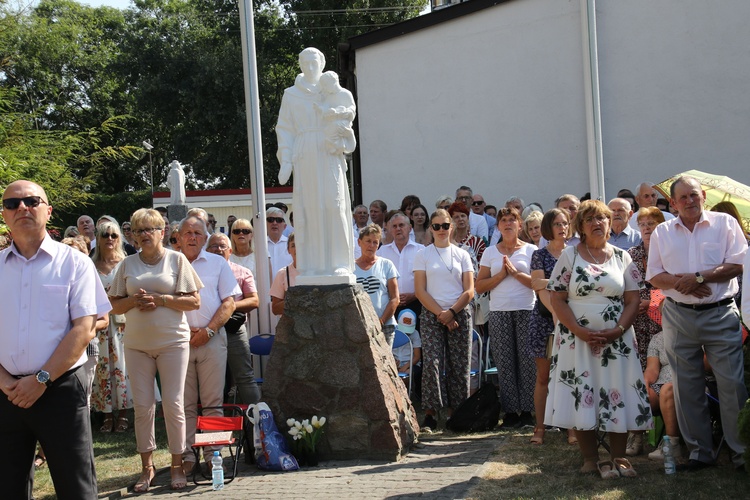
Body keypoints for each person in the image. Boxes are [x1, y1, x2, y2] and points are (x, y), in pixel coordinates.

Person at [1, 180, 111, 499]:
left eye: (32, 201)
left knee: (76, 487)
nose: (22, 208)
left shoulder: (74, 263)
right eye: (12, 204)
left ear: (48, 211)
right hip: (5, 393)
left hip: (59, 390)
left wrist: (41, 379)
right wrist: (4, 379)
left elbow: (84, 328)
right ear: (4, 215)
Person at [647, 176, 747, 472]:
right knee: (686, 386)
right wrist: (682, 282)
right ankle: (700, 453)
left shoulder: (724, 224)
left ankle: (741, 453)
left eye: (694, 195)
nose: (690, 201)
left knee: (732, 385)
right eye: (683, 198)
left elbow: (739, 263)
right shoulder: (663, 231)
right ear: (674, 203)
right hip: (678, 314)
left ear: (703, 195)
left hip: (720, 313)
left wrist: (701, 277)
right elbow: (653, 274)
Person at [545, 200, 651, 477]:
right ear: (580, 226)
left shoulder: (622, 257)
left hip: (617, 340)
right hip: (576, 339)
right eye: (590, 219)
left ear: (609, 222)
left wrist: (617, 330)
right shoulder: (569, 256)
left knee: (619, 391)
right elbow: (556, 297)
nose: (597, 223)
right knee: (583, 392)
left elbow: (633, 299)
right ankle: (590, 458)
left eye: (602, 218)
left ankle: (619, 457)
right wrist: (579, 331)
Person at [109, 208, 203, 492]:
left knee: (173, 404)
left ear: (163, 232)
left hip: (173, 343)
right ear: (133, 235)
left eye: (151, 229)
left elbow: (194, 302)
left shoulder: (177, 259)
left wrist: (161, 299)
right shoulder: (127, 264)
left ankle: (177, 465)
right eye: (139, 230)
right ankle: (146, 468)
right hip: (137, 345)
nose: (145, 235)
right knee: (143, 407)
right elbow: (113, 305)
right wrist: (133, 303)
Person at [276, 48, 354, 280]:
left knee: (334, 204)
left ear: (321, 64)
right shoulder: (291, 94)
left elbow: (346, 115)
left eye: (314, 62)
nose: (310, 67)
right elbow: (285, 128)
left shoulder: (331, 90)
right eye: (305, 62)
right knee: (310, 209)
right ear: (300, 65)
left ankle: (338, 262)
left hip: (329, 150)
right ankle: (311, 264)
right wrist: (286, 159)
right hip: (305, 151)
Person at [178, 216, 240, 477]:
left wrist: (209, 330)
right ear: (178, 237)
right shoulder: (169, 262)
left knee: (214, 401)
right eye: (187, 232)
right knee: (184, 404)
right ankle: (187, 455)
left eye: (197, 233)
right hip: (178, 343)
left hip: (212, 340)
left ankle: (213, 454)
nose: (192, 237)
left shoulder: (217, 263)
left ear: (205, 238)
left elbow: (229, 303)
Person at [414, 209, 475, 431]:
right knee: (432, 364)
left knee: (459, 366)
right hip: (432, 314)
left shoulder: (462, 255)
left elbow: (469, 290)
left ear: (452, 227)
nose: (441, 230)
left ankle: (455, 414)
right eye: (436, 226)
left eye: (445, 226)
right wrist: (442, 314)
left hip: (459, 313)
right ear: (431, 228)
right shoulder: (423, 254)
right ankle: (430, 414)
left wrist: (452, 312)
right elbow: (420, 291)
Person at [476, 207, 537, 429]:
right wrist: (501, 275)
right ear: (498, 226)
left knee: (527, 363)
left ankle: (528, 412)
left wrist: (515, 274)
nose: (508, 223)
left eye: (513, 220)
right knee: (505, 362)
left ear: (520, 225)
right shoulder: (491, 252)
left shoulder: (531, 250)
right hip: (499, 312)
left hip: (526, 310)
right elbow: (479, 285)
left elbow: (537, 284)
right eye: (504, 220)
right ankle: (511, 413)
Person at [623, 206, 666, 456]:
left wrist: (651, 298)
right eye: (643, 224)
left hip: (665, 327)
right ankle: (635, 435)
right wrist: (632, 303)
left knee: (663, 380)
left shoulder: (670, 252)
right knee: (636, 380)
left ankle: (666, 437)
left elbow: (675, 286)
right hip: (637, 326)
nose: (648, 228)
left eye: (653, 223)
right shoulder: (631, 254)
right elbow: (622, 287)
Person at [526, 208, 570, 445]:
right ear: (548, 228)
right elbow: (537, 285)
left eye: (565, 223)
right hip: (545, 320)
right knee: (543, 377)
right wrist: (557, 311)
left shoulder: (575, 253)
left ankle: (573, 427)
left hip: (572, 318)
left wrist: (549, 281)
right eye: (557, 224)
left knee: (569, 375)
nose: (562, 228)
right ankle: (540, 427)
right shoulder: (539, 255)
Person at [206, 233, 261, 406]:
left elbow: (254, 300)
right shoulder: (198, 271)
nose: (218, 249)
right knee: (208, 377)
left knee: (245, 376)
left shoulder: (243, 272)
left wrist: (230, 308)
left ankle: (257, 421)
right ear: (207, 250)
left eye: (222, 246)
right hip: (207, 330)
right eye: (214, 246)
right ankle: (210, 423)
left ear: (230, 250)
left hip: (234, 329)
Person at [91, 220, 133, 433]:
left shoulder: (126, 263)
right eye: (105, 235)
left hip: (122, 325)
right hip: (98, 325)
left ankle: (124, 415)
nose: (109, 239)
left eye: (114, 235)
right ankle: (107, 415)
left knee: (122, 368)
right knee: (102, 368)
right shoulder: (90, 264)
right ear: (97, 238)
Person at [355, 224, 400, 347]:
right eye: (368, 241)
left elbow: (395, 298)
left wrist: (381, 321)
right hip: (359, 326)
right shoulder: (350, 268)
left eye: (375, 242)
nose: (371, 245)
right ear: (359, 242)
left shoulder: (387, 265)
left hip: (385, 325)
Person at [377, 212, 425, 321]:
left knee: (416, 337)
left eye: (401, 225)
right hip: (390, 306)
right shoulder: (382, 252)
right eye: (394, 226)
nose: (398, 229)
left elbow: (428, 280)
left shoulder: (421, 250)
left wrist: (414, 295)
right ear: (390, 229)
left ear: (410, 228)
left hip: (416, 304)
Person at [643, 331, 682, 461]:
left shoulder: (694, 332)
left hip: (688, 382)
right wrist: (645, 383)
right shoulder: (658, 338)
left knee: (667, 389)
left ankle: (672, 444)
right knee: (641, 395)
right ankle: (635, 439)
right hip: (661, 382)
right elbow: (652, 369)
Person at [392, 309, 422, 401]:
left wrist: (405, 366)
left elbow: (417, 356)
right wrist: (393, 361)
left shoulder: (415, 334)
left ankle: (403, 399)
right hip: (395, 362)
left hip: (410, 364)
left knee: (404, 377)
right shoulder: (392, 332)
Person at [270, 233, 298, 316]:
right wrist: (295, 301)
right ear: (288, 250)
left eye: (300, 244)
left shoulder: (317, 273)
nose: (297, 248)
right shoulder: (282, 274)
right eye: (293, 245)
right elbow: (275, 308)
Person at [266, 206, 293, 280]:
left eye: (279, 220)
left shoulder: (291, 245)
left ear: (284, 226)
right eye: (270, 220)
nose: (274, 223)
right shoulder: (259, 246)